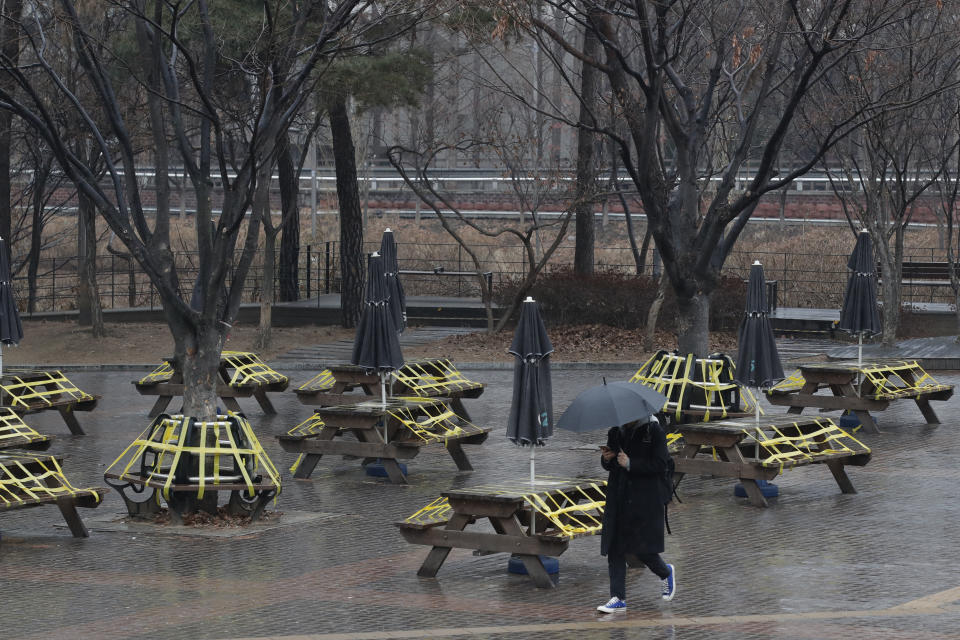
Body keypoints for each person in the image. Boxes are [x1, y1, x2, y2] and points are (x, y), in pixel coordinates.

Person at [597, 415, 676, 613]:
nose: (624, 421)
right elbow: (613, 465)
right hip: (618, 496)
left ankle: (665, 573)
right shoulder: (616, 431)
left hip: (644, 499)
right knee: (615, 546)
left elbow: (660, 465)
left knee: (641, 548)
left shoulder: (653, 431)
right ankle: (617, 597)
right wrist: (607, 459)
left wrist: (632, 463)